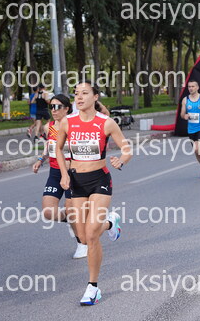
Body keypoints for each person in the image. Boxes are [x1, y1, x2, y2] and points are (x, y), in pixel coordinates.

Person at [56, 82, 132, 306]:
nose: (79, 97)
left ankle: (93, 287)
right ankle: (110, 223)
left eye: (84, 93)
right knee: (82, 235)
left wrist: (121, 160)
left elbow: (126, 148)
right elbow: (58, 149)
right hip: (76, 182)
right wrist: (64, 174)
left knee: (91, 235)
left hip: (99, 180)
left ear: (95, 97)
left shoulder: (106, 122)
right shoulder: (67, 122)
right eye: (76, 94)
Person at [32, 94, 87, 259]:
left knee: (71, 209)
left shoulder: (75, 126)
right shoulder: (48, 127)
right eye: (52, 107)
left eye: (57, 107)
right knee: (48, 212)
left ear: (67, 109)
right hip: (55, 172)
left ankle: (82, 244)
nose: (54, 110)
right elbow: (49, 144)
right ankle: (70, 219)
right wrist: (41, 159)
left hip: (72, 173)